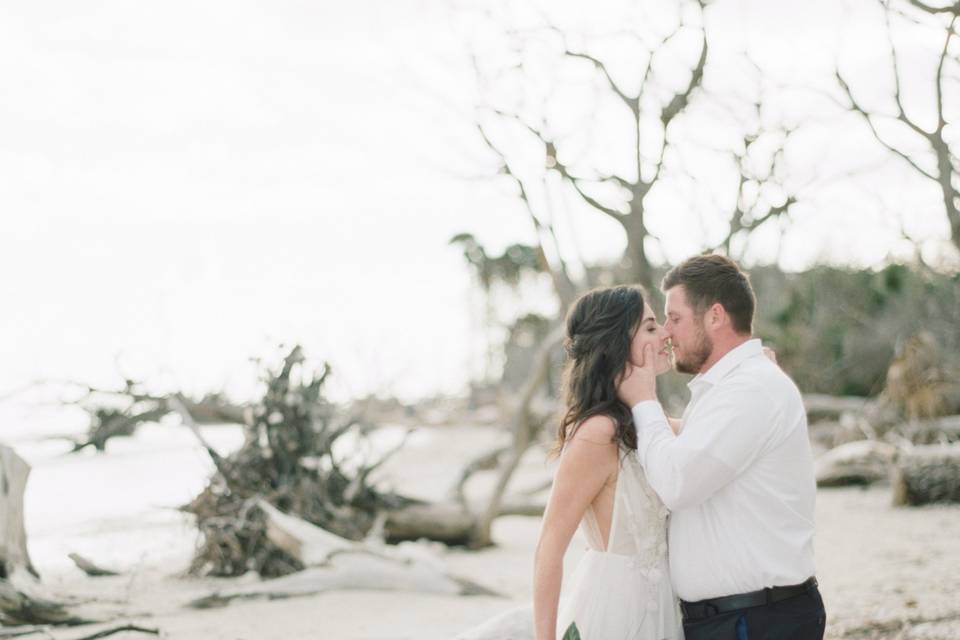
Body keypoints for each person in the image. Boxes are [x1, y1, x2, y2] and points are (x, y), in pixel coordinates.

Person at [617, 254, 826, 639]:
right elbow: (694, 441)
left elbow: (678, 482)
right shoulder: (733, 388)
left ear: (715, 316)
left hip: (755, 620)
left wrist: (644, 401)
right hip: (739, 617)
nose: (666, 332)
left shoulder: (750, 389)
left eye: (674, 318)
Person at [532, 284, 683, 640]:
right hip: (616, 611)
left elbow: (710, 434)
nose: (664, 333)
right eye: (649, 327)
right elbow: (549, 547)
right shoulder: (598, 433)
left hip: (668, 608)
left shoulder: (651, 424)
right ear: (617, 343)